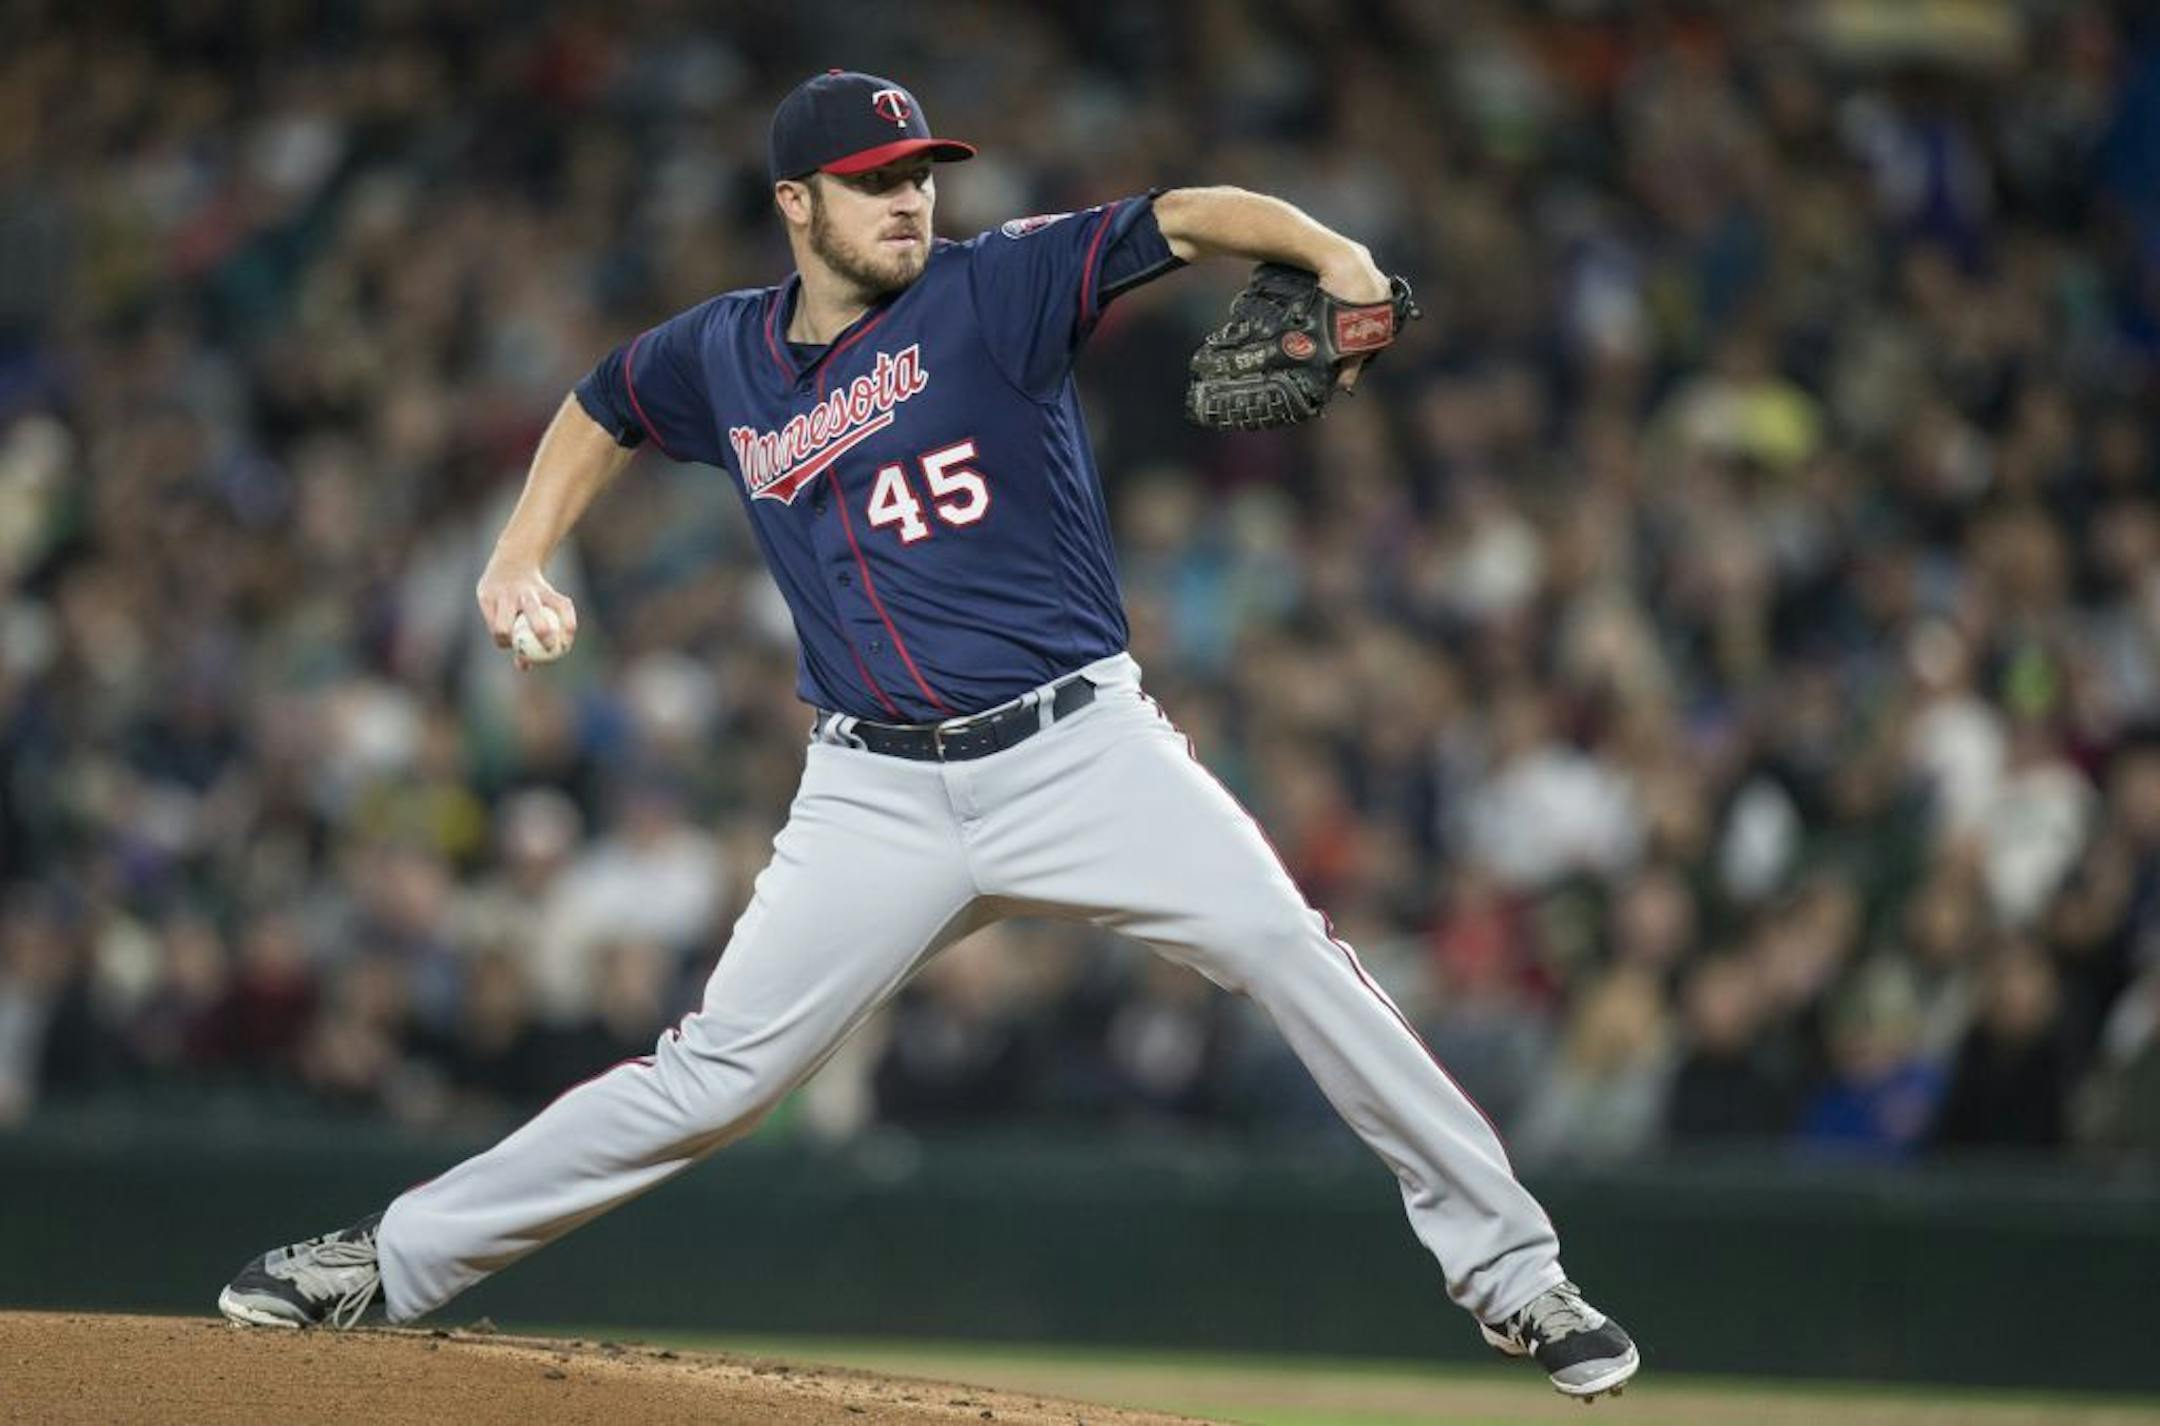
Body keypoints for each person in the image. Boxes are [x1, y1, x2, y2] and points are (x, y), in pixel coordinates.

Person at [215, 70, 1638, 1401]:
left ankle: (1516, 1270)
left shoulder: (996, 288)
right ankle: (389, 1262)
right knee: (714, 1079)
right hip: (872, 791)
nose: (912, 200)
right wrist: (519, 553)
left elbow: (1191, 215)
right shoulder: (723, 353)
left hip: (1079, 749)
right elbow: (601, 407)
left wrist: (1332, 255)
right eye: (876, 179)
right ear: (798, 205)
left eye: (923, 176)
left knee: (1288, 951)